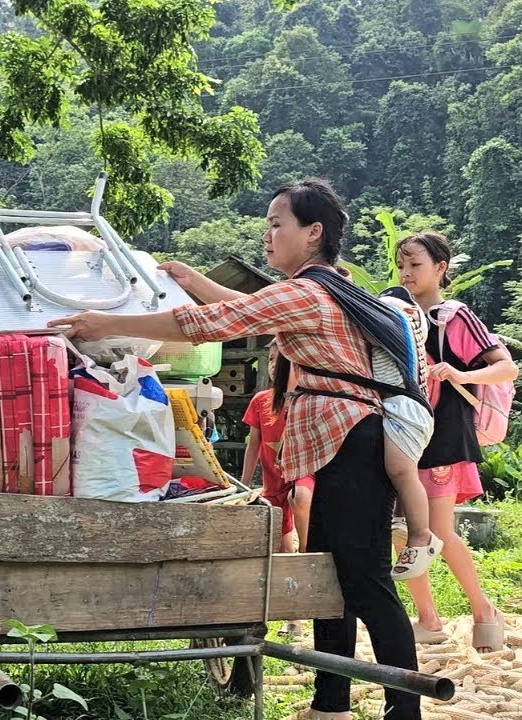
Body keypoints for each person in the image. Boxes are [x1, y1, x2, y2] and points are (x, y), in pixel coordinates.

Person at [64, 179, 421, 720]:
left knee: (364, 578)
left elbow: (210, 325)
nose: (268, 235)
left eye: (278, 224)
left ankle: (407, 708)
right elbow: (251, 310)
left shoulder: (306, 291)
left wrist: (105, 322)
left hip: (353, 442)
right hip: (342, 444)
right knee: (331, 575)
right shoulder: (325, 289)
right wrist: (191, 278)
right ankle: (331, 705)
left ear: (314, 232)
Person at [392, 231, 515, 652]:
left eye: (416, 265)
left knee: (438, 529)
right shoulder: (396, 315)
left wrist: (461, 374)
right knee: (402, 530)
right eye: (402, 266)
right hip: (403, 435)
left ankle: (484, 612)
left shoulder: (453, 316)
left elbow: (506, 368)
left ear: (441, 268)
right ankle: (429, 618)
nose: (407, 273)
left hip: (443, 435)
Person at [240, 341, 315, 638]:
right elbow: (253, 445)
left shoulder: (309, 401)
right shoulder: (261, 401)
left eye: (282, 361)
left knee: (302, 498)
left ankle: (311, 548)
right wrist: (244, 485)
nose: (275, 366)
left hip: (301, 479)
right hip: (273, 486)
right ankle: (293, 617)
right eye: (270, 360)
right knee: (283, 550)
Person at [371, 287, 441, 580]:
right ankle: (405, 523)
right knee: (397, 471)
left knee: (401, 471)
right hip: (407, 406)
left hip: (404, 405)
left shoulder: (392, 318)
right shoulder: (410, 322)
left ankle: (421, 536)